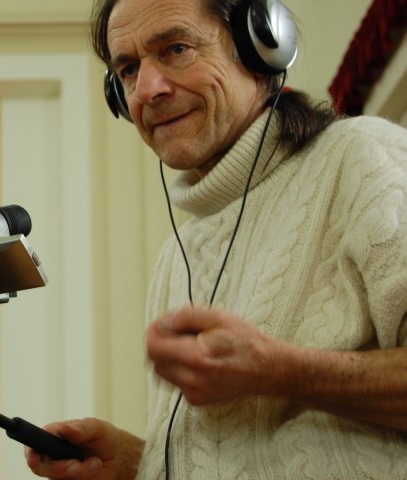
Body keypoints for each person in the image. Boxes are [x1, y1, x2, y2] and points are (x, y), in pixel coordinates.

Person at [25, 0, 407, 478]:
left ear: (261, 44)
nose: (147, 89)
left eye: (176, 49)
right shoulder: (177, 254)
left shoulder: (364, 158)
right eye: (128, 70)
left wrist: (279, 371)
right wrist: (139, 461)